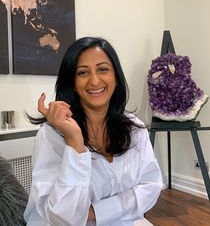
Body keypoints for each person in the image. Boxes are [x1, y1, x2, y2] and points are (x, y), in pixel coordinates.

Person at [24, 36, 163, 226]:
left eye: (103, 69)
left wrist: (95, 213)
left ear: (116, 77)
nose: (94, 80)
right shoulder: (51, 135)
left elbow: (151, 186)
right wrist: (74, 142)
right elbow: (62, 217)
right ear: (73, 82)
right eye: (82, 73)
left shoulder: (134, 128)